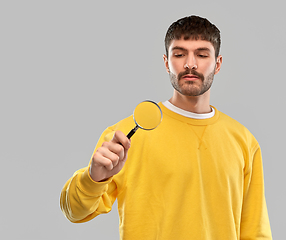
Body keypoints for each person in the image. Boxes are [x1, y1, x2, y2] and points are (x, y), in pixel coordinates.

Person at [60, 15, 272, 240]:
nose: (190, 63)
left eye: (201, 54)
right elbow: (74, 211)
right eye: (179, 54)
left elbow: (255, 232)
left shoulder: (244, 141)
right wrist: (93, 178)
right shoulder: (124, 136)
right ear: (166, 62)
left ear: (217, 64)